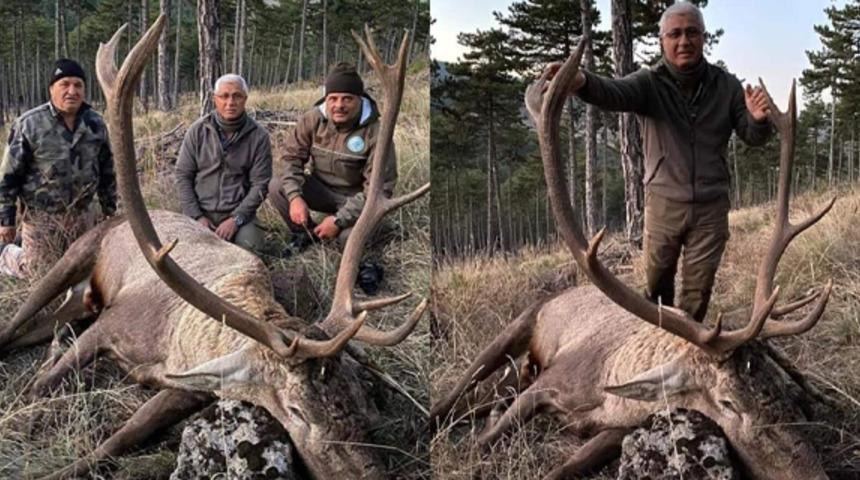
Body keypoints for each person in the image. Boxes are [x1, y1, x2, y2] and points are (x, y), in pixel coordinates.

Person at [551, 2, 773, 321]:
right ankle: (655, 342)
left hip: (710, 209)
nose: (684, 41)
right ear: (662, 41)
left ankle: (684, 348)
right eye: (675, 34)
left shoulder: (727, 86)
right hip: (663, 206)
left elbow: (752, 136)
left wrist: (758, 120)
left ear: (704, 37)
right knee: (656, 291)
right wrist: (582, 81)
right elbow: (613, 92)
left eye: (692, 32)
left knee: (697, 295)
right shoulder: (649, 83)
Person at [268, 63, 396, 295]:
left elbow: (379, 190)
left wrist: (338, 221)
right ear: (326, 99)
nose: (339, 105)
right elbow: (291, 160)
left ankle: (367, 263)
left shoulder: (377, 132)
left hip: (358, 200)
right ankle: (306, 235)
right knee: (277, 187)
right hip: (322, 190)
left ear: (359, 99)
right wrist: (295, 197)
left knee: (347, 238)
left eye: (347, 99)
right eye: (333, 98)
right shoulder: (312, 120)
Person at [0, 59, 117, 279]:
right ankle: (6, 254)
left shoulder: (96, 124)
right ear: (51, 89)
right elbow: (8, 177)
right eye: (64, 84)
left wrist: (109, 210)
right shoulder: (29, 124)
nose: (72, 91)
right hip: (42, 220)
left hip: (84, 217)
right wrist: (6, 221)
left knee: (84, 272)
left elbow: (107, 171)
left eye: (78, 85)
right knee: (41, 275)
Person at [175, 74, 272, 252]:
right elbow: (183, 176)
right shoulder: (197, 131)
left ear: (245, 99)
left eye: (237, 96)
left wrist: (236, 219)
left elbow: (260, 184)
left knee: (251, 249)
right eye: (224, 96)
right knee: (186, 254)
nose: (230, 102)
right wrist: (196, 217)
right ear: (215, 99)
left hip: (239, 215)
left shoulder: (258, 136)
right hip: (201, 212)